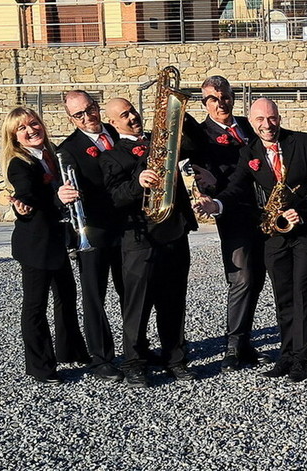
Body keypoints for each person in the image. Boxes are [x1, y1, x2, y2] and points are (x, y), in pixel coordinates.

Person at [198, 99, 307, 382]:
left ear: (279, 118)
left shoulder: (302, 141)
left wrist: (302, 210)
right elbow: (236, 186)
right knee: (283, 295)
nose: (267, 125)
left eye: (271, 118)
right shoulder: (249, 151)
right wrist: (216, 205)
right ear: (251, 122)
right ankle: (286, 356)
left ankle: (303, 359)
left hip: (306, 229)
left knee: (302, 291)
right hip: (274, 233)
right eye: (260, 119)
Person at [99, 98, 197, 387]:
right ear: (113, 123)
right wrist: (137, 182)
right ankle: (134, 362)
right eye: (124, 115)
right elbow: (115, 197)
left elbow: (195, 146)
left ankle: (175, 359)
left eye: (132, 111)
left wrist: (180, 117)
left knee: (174, 301)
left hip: (174, 232)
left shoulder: (162, 141)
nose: (132, 117)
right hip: (140, 239)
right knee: (137, 305)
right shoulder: (111, 156)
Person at [186, 76, 268, 372]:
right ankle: (232, 347)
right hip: (232, 211)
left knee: (258, 277)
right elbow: (200, 175)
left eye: (225, 97)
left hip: (264, 211)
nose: (221, 104)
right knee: (241, 277)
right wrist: (206, 187)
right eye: (213, 99)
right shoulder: (201, 135)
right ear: (205, 103)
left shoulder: (248, 125)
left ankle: (245, 342)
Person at [0, 106, 88, 384]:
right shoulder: (19, 164)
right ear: (14, 137)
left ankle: (71, 351)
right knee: (35, 306)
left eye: (34, 123)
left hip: (57, 240)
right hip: (36, 245)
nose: (30, 130)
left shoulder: (51, 155)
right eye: (22, 128)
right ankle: (40, 367)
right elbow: (27, 195)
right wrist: (24, 207)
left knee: (66, 297)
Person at [56, 90, 123, 378]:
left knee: (132, 293)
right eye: (79, 115)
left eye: (90, 109)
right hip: (95, 231)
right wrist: (62, 194)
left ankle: (137, 350)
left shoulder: (117, 132)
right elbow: (62, 190)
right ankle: (100, 358)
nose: (87, 117)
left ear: (97, 106)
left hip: (128, 228)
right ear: (71, 118)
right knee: (94, 296)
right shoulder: (68, 149)